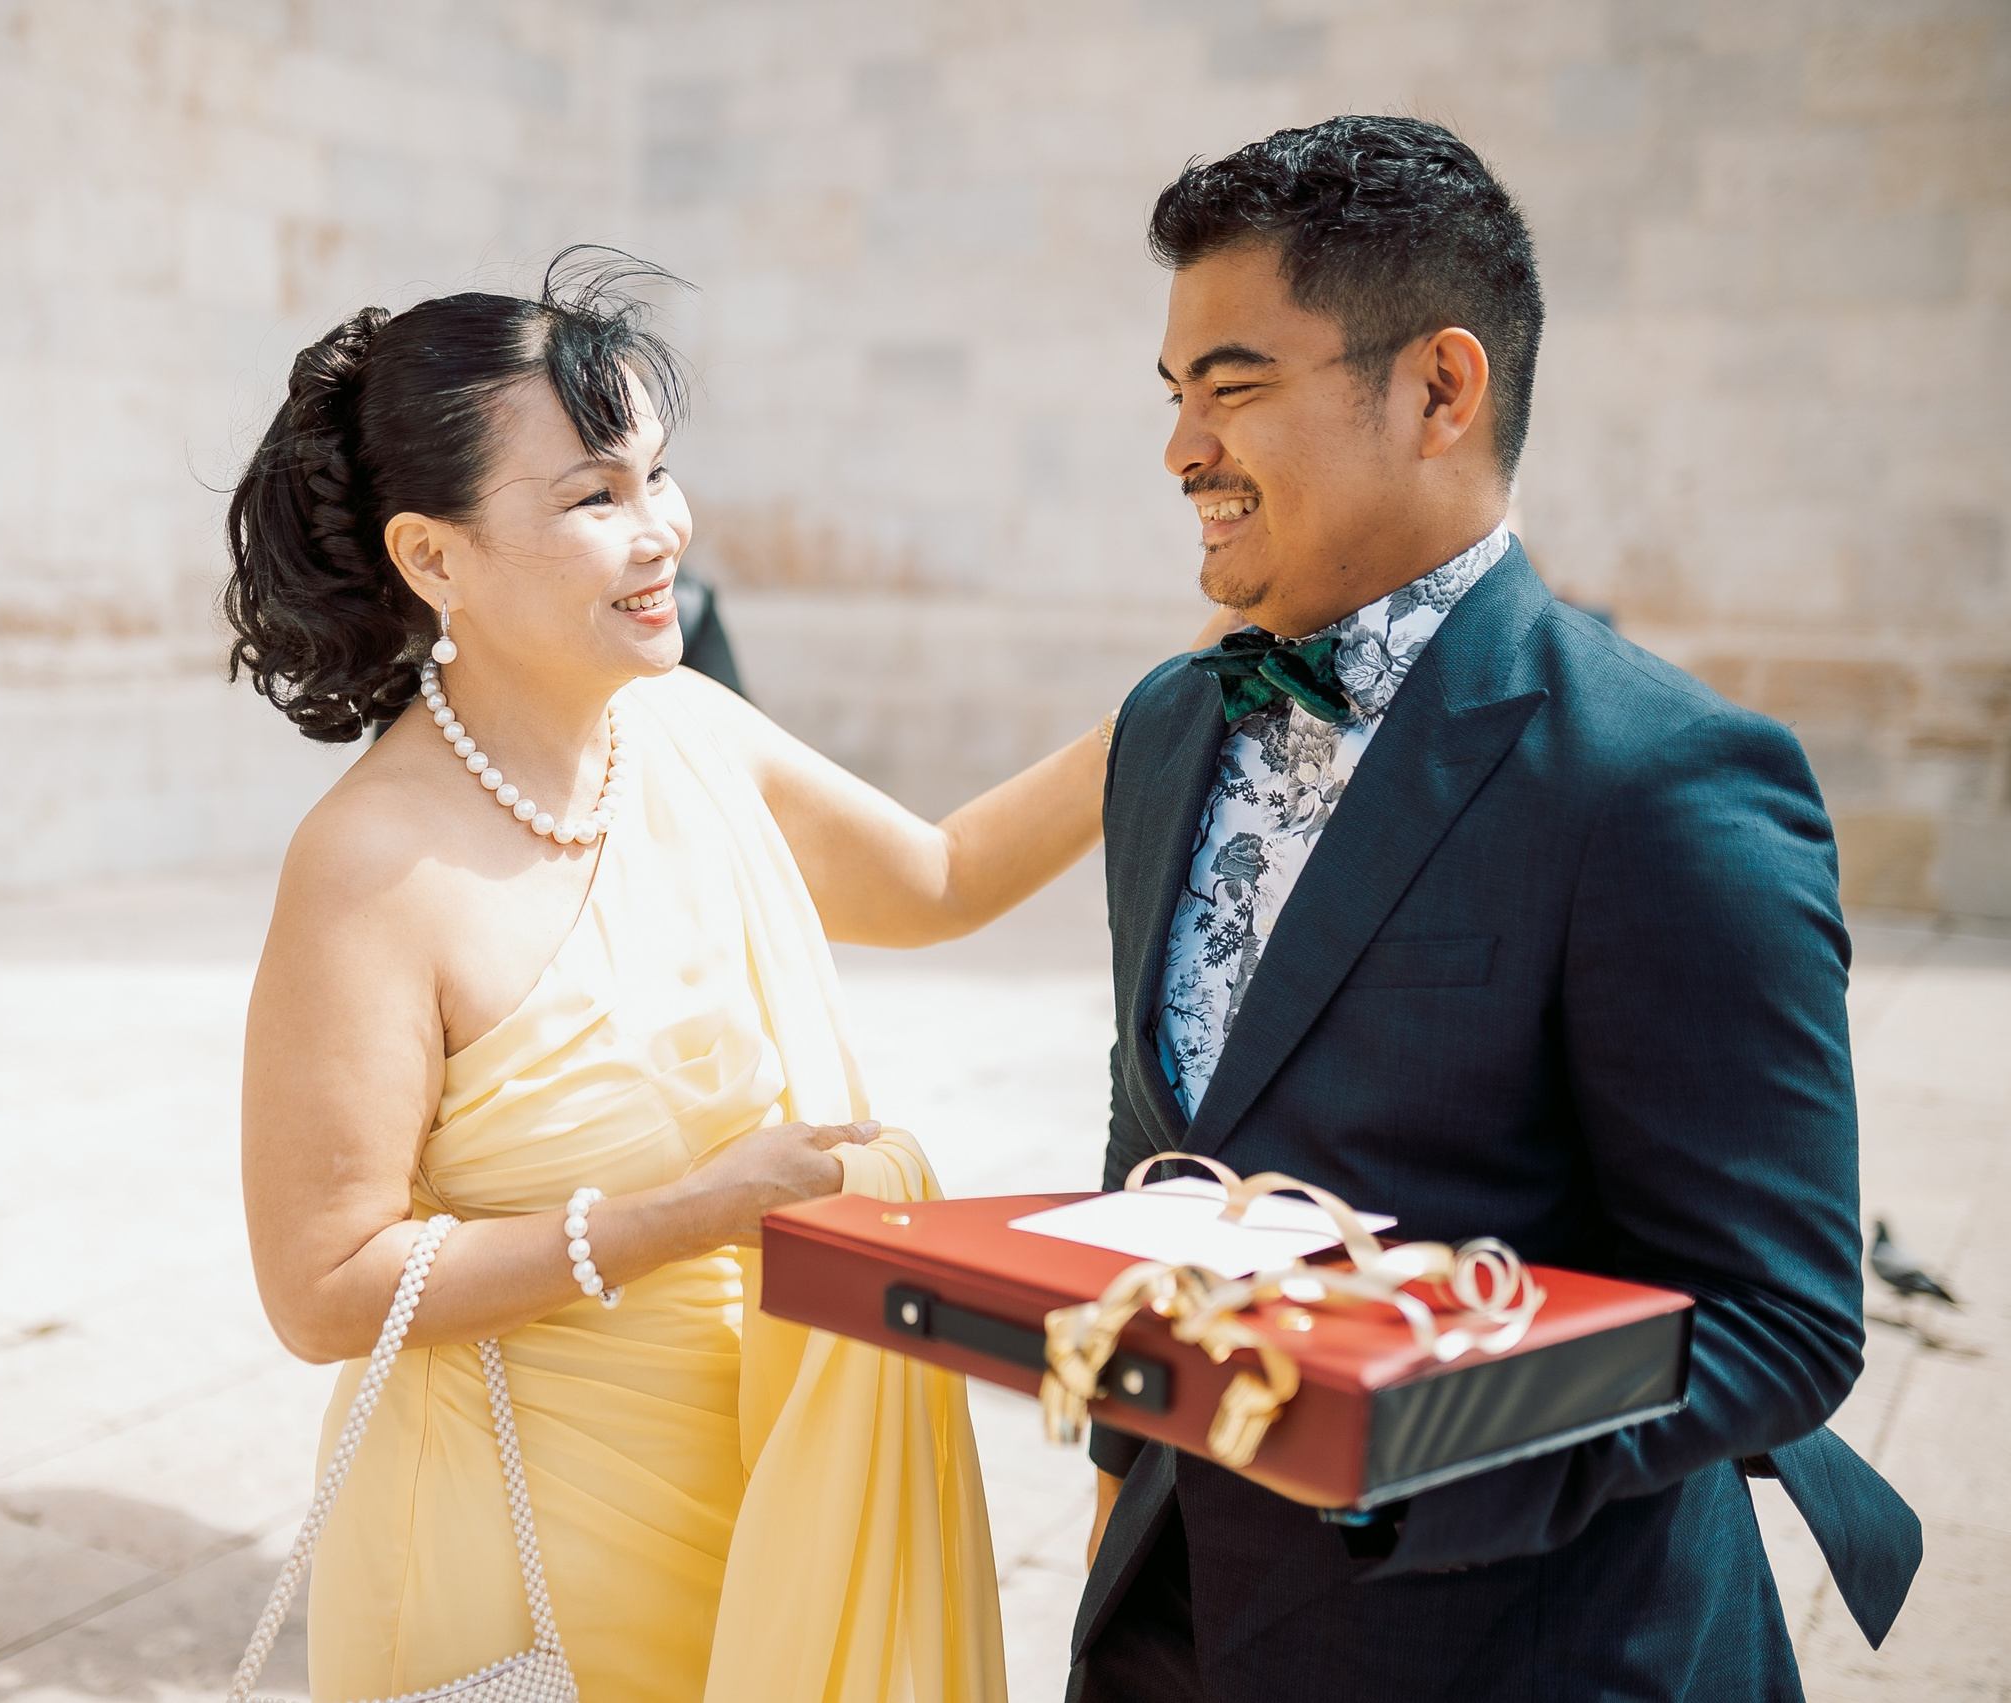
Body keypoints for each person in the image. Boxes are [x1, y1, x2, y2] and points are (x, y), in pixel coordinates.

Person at [1072, 119, 1921, 1701]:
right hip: (1165, 1629)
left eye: (1232, 388)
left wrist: (1394, 1455)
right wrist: (1119, 1471)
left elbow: (1779, 1319)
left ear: (1440, 391)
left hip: (1526, 1648)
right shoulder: (1166, 729)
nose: (1181, 448)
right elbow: (1161, 1136)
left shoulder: (1661, 776)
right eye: (1174, 392)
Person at [227, 252, 1103, 1702]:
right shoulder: (369, 866)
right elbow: (322, 1290)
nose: (662, 534)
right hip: (516, 1554)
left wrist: (1184, 694)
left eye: (657, 476)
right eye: (594, 498)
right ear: (432, 558)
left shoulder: (691, 730)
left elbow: (941, 879)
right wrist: (683, 1219)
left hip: (764, 1500)